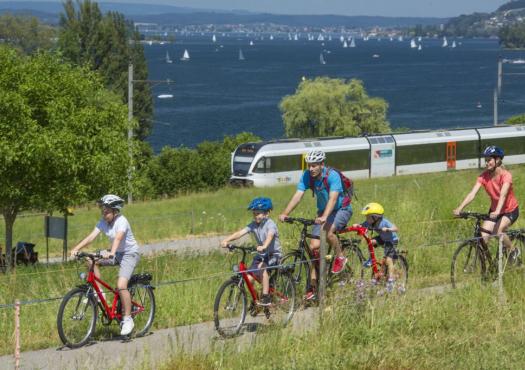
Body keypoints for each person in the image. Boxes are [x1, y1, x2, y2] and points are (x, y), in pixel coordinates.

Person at [279, 149, 352, 301]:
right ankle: (315, 285)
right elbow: (298, 195)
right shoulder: (307, 176)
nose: (311, 168)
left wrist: (325, 216)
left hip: (341, 209)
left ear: (321, 164)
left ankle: (340, 257)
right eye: (309, 165)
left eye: (314, 165)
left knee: (329, 232)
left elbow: (333, 199)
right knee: (313, 248)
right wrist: (285, 213)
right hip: (322, 213)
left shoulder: (332, 175)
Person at [70, 194, 141, 336]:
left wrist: (111, 252)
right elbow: (91, 237)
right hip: (115, 253)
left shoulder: (122, 221)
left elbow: (118, 238)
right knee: (90, 260)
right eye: (103, 210)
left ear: (115, 211)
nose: (104, 213)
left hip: (129, 254)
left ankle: (127, 319)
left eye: (107, 211)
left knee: (121, 286)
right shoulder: (103, 221)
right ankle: (99, 293)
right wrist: (76, 249)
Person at [454, 145, 520, 257]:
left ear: (497, 160)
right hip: (494, 211)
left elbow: (503, 195)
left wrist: (498, 211)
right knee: (482, 239)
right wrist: (460, 208)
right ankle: (487, 268)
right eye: (486, 160)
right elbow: (472, 194)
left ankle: (513, 252)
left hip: (510, 210)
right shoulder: (483, 176)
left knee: (498, 231)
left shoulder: (506, 175)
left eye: (489, 160)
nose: (486, 163)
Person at [221, 197, 281, 306]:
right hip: (261, 255)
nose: (255, 216)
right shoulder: (253, 224)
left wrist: (264, 246)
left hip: (273, 255)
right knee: (248, 278)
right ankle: (257, 300)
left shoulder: (270, 224)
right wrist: (226, 240)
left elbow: (270, 236)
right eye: (254, 214)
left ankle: (266, 297)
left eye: (258, 213)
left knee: (262, 267)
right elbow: (240, 233)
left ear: (267, 214)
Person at [354, 202, 399, 292]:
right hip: (382, 238)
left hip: (391, 240)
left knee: (388, 260)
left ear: (375, 217)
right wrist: (357, 226)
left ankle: (391, 280)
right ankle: (371, 259)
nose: (366, 218)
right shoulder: (370, 222)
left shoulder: (384, 222)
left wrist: (388, 229)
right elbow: (362, 226)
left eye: (368, 216)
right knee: (370, 242)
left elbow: (396, 228)